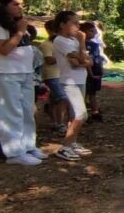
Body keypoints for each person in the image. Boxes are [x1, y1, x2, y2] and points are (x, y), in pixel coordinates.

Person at [0, 0, 45, 166]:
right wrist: (19, 32)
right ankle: (14, 152)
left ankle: (28, 145)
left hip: (24, 72)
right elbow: (4, 50)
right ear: (2, 6)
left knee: (27, 110)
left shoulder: (17, 24)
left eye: (21, 4)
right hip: (4, 73)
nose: (20, 7)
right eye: (15, 4)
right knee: (11, 112)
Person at [53, 11, 93, 162]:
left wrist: (82, 59)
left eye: (78, 23)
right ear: (62, 24)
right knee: (81, 114)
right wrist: (82, 44)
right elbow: (78, 61)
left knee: (74, 115)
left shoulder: (74, 40)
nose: (78, 26)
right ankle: (65, 147)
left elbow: (88, 61)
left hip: (80, 80)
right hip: (69, 82)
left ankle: (73, 143)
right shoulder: (60, 41)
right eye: (74, 23)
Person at [40, 19, 68, 136]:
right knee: (62, 98)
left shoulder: (61, 43)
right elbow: (49, 60)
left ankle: (54, 121)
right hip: (52, 75)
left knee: (55, 100)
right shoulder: (46, 44)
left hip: (62, 74)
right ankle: (60, 123)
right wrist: (66, 56)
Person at [80, 22, 105, 122]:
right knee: (87, 92)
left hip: (96, 69)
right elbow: (86, 60)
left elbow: (98, 58)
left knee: (92, 92)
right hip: (89, 71)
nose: (94, 33)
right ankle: (89, 112)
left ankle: (94, 110)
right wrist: (91, 74)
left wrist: (101, 69)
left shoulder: (94, 44)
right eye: (91, 31)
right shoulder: (82, 45)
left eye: (94, 31)